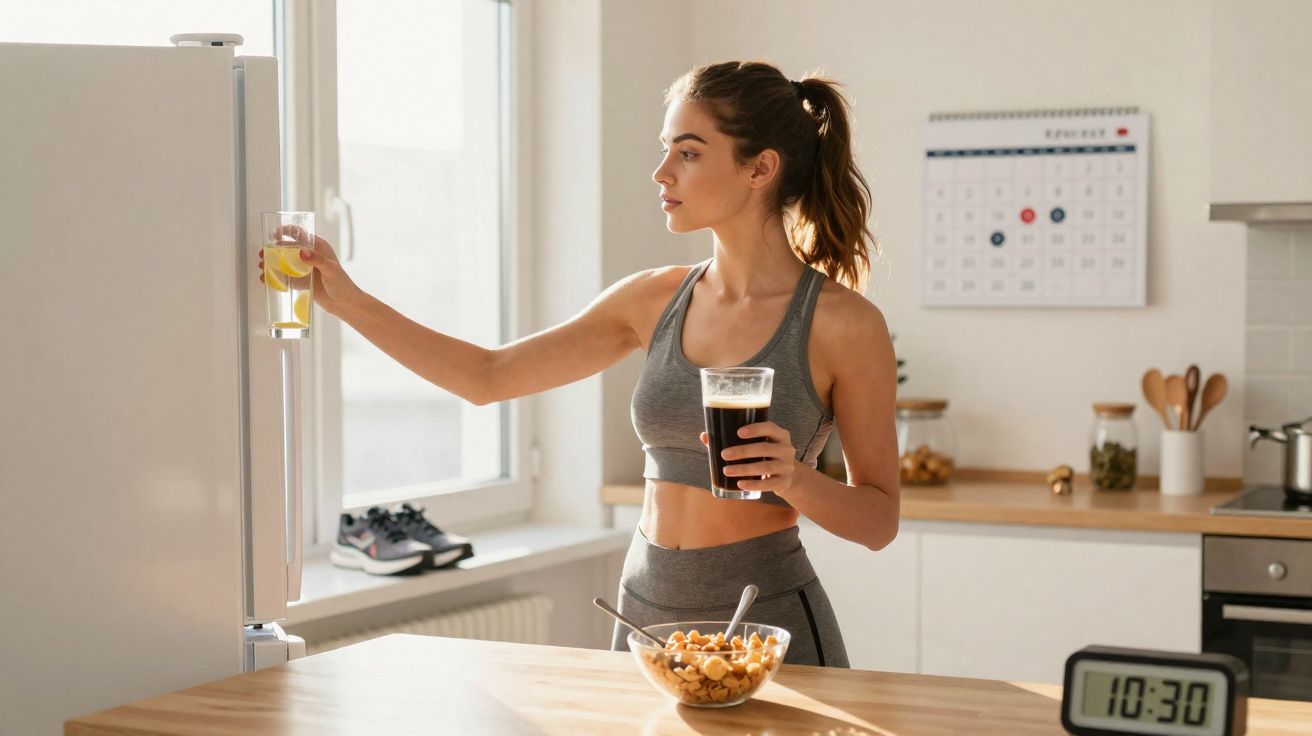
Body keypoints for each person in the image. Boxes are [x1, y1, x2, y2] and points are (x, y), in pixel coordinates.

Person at [260, 60, 900, 668]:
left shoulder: (844, 325)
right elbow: (489, 378)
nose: (661, 173)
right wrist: (347, 301)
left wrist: (793, 478)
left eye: (688, 151)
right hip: (646, 616)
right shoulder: (651, 299)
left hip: (767, 625)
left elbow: (878, 522)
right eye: (665, 148)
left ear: (760, 168)